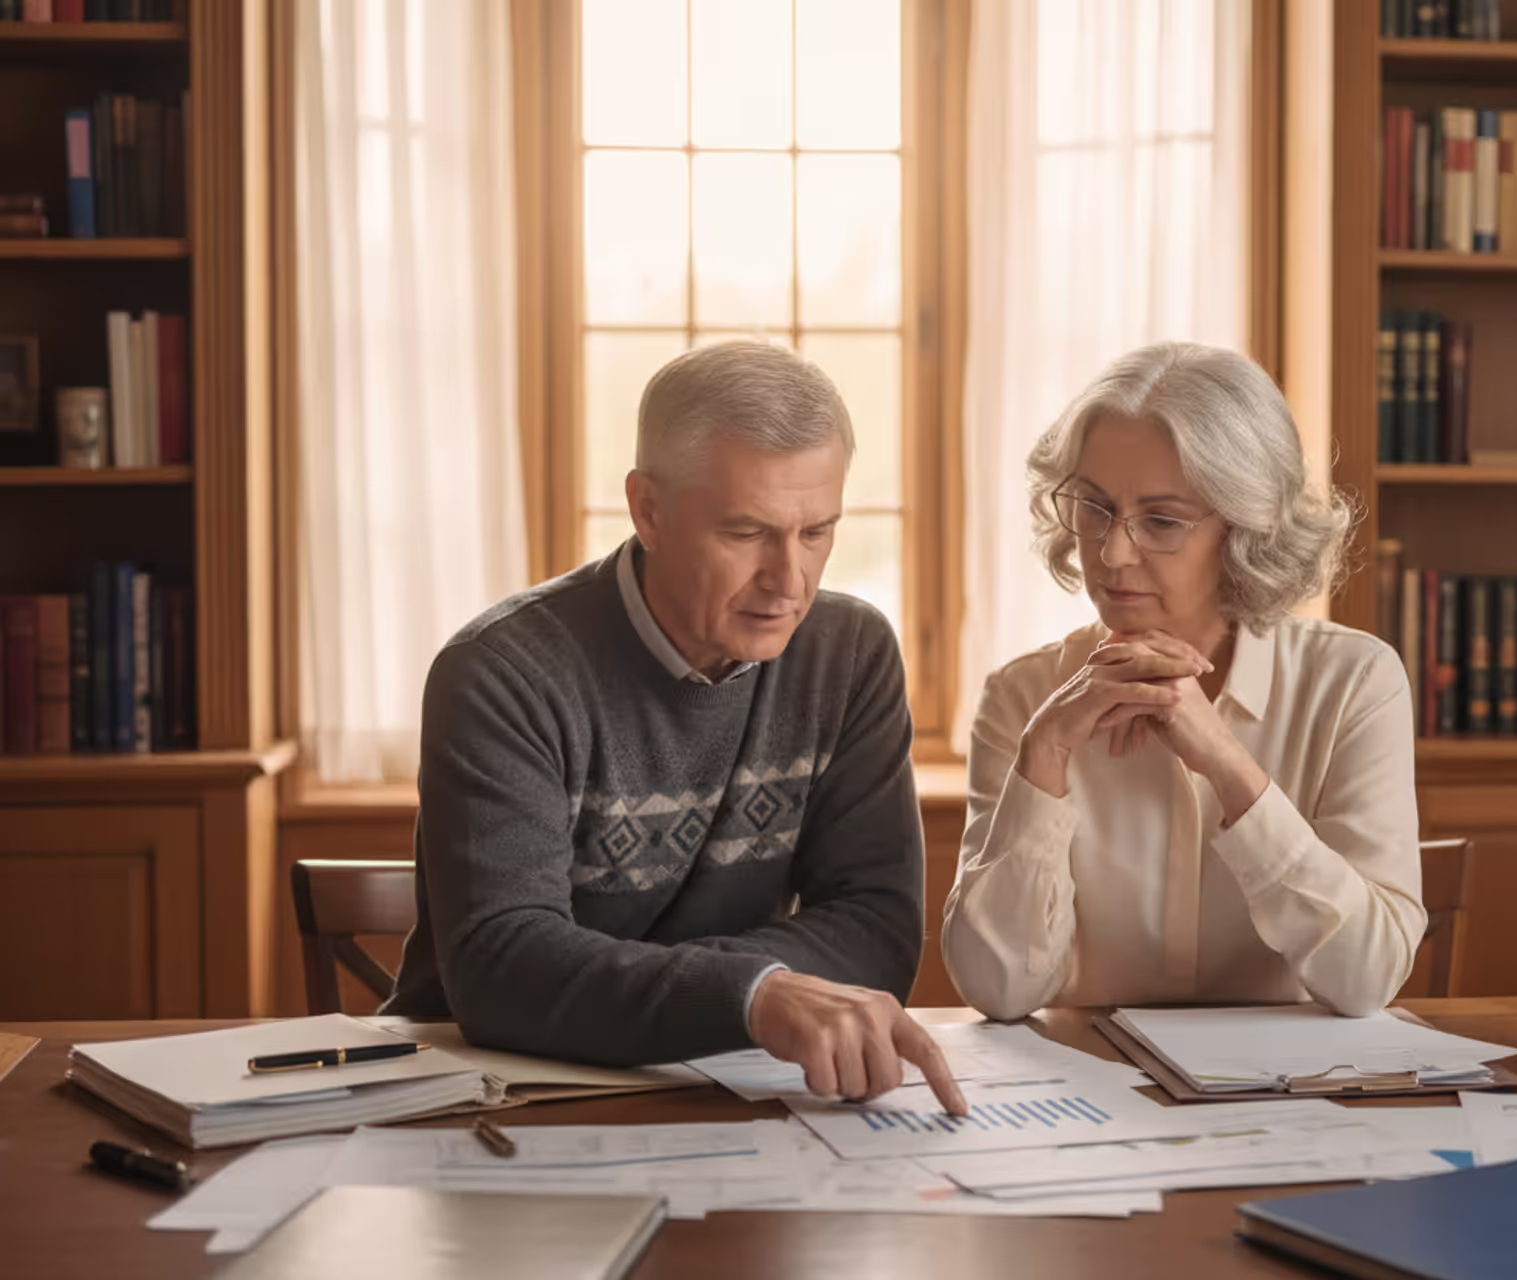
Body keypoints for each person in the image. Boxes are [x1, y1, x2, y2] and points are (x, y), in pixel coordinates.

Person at [388, 341, 965, 1114]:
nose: (788, 582)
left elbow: (877, 933)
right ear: (649, 510)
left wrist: (653, 988)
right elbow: (502, 969)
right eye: (746, 532)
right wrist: (754, 995)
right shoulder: (501, 672)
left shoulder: (850, 654)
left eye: (817, 532)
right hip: (493, 1097)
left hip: (733, 1087)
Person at [942, 342, 1424, 1023]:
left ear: (1245, 530)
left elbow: (1368, 977)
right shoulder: (1021, 698)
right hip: (1092, 1104)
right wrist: (1044, 754)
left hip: (1297, 1111)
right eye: (1093, 506)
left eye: (1162, 521)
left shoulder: (1354, 683)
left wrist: (1228, 765)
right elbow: (997, 990)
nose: (1110, 553)